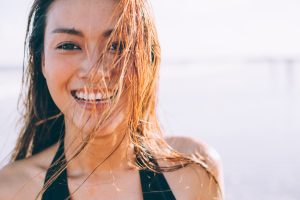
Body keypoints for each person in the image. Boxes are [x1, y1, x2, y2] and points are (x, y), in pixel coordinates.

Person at [0, 0, 223, 199]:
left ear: (148, 58)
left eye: (118, 45)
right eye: (69, 45)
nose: (95, 71)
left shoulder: (193, 171)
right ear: (42, 62)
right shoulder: (11, 190)